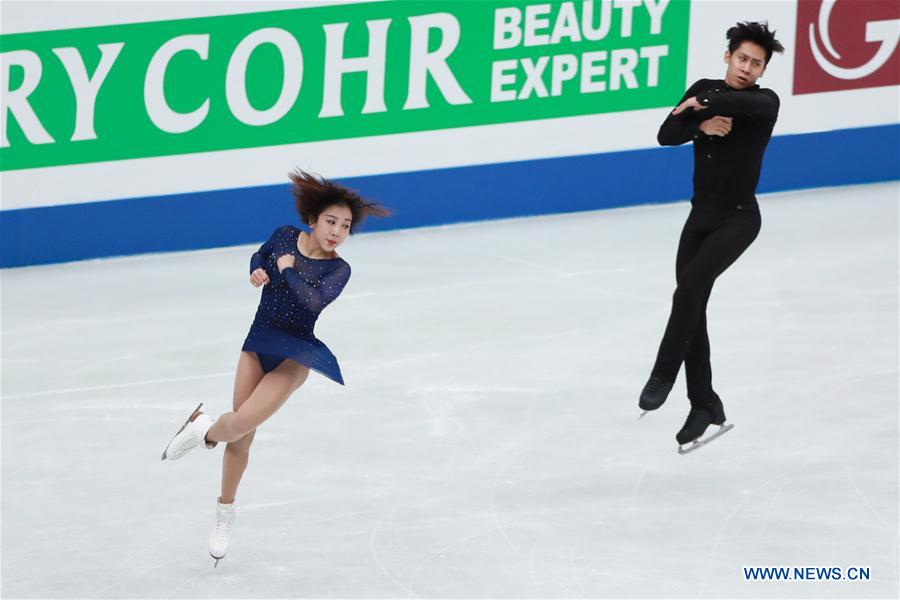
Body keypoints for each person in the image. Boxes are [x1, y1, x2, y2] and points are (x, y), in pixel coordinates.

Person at [161, 169, 388, 565]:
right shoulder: (284, 235)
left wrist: (285, 269)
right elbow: (260, 255)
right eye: (331, 222)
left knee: (242, 422)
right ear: (313, 220)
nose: (337, 231)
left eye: (345, 226)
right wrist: (258, 269)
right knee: (241, 437)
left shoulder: (339, 269)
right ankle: (224, 511)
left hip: (294, 353)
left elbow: (312, 302)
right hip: (258, 341)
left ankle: (201, 428)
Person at [638, 22, 785, 448]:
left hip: (739, 218)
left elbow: (733, 102)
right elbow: (666, 135)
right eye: (741, 59)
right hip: (699, 216)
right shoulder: (706, 88)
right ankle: (704, 403)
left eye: (755, 63)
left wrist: (700, 104)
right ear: (728, 57)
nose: (746, 68)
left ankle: (662, 373)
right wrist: (700, 125)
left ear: (762, 70)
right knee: (693, 303)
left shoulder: (764, 101)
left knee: (688, 291)